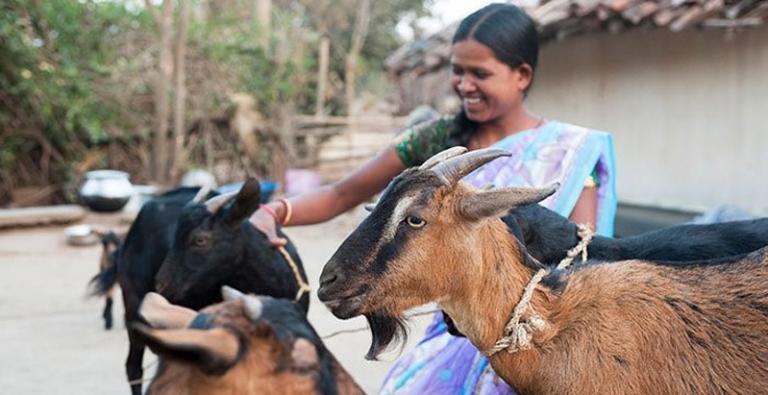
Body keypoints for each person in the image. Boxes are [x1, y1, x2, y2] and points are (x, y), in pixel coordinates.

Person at [251, 3, 617, 394]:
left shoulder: (571, 152)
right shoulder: (436, 142)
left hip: (533, 345)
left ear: (522, 75)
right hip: (447, 341)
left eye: (480, 74)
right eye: (457, 71)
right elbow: (343, 192)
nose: (464, 85)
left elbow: (580, 263)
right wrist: (273, 212)